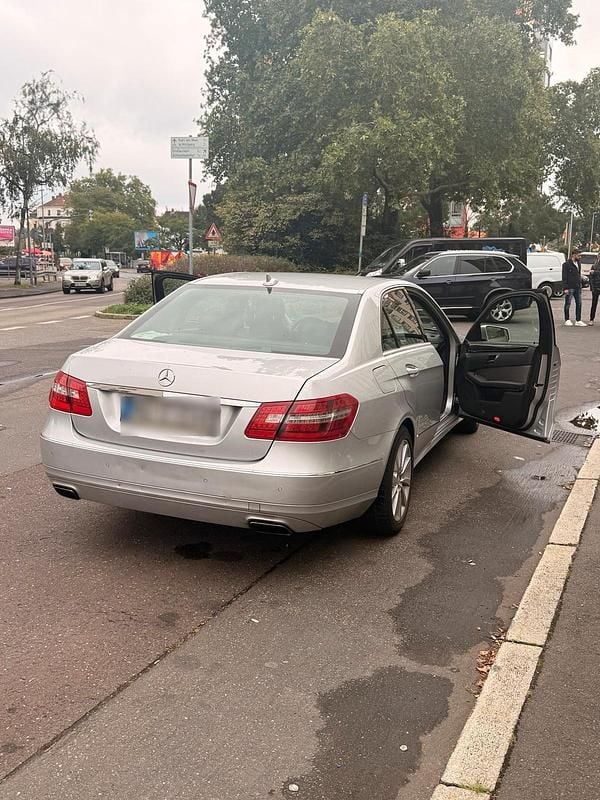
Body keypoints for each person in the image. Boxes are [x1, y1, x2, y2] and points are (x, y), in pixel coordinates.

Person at [562, 249, 586, 326]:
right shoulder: (566, 264)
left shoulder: (578, 263)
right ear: (574, 255)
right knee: (568, 303)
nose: (580, 257)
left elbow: (578, 274)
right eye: (578, 255)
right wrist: (565, 288)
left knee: (579, 303)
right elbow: (564, 277)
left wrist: (580, 284)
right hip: (570, 287)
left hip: (577, 287)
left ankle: (578, 320)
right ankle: (567, 319)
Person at [589, 256, 600, 325]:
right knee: (594, 304)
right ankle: (591, 319)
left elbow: (593, 273)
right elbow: (591, 277)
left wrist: (595, 272)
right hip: (595, 287)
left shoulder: (594, 267)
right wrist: (592, 287)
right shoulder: (594, 265)